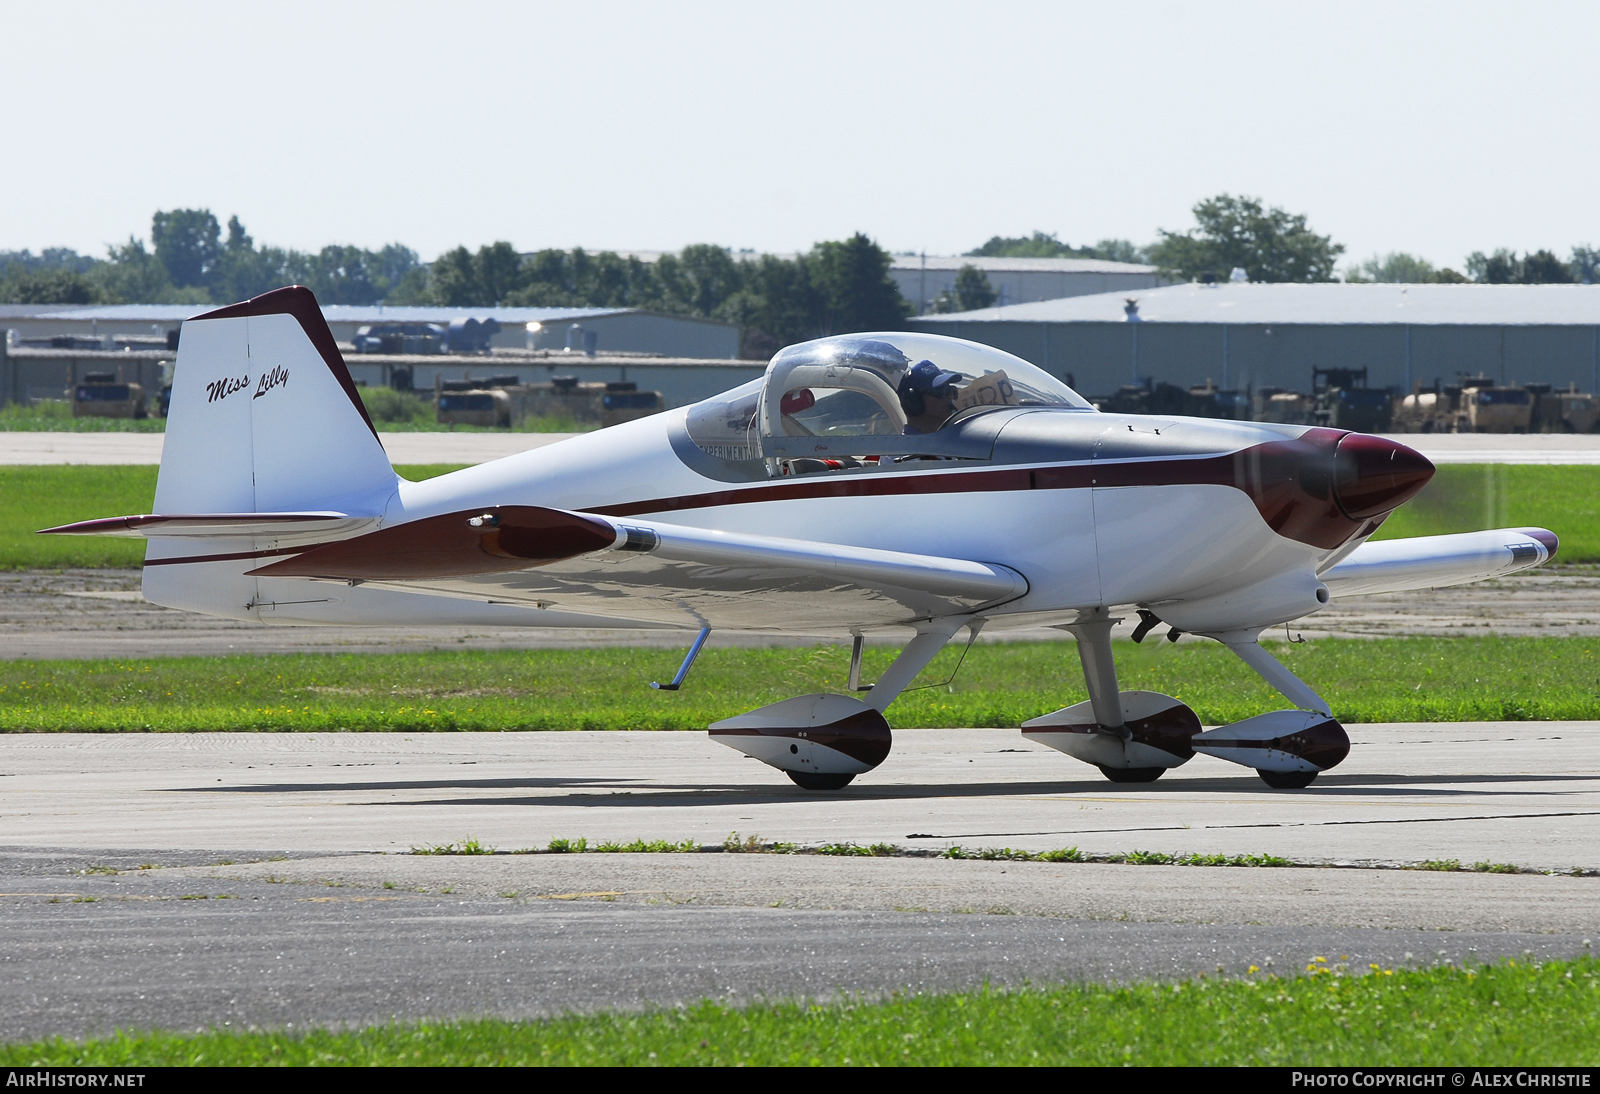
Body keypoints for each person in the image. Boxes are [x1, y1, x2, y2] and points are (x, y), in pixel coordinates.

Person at [897, 359, 963, 434]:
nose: (950, 396)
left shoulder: (954, 440)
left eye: (950, 389)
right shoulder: (907, 445)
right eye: (940, 390)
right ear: (913, 401)